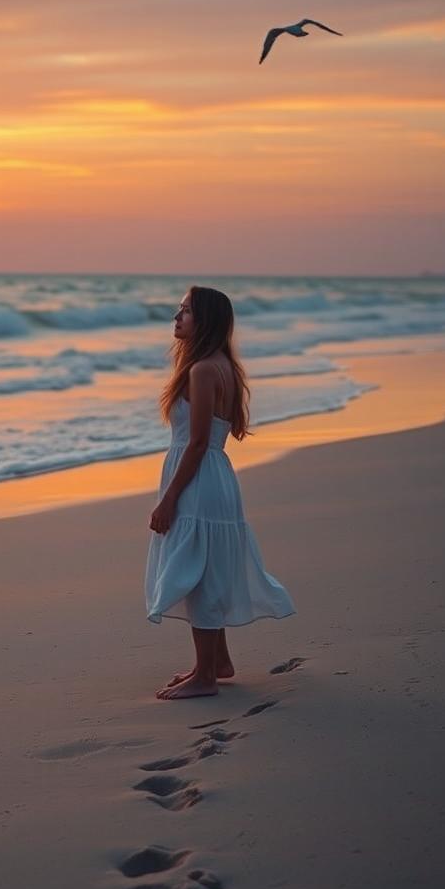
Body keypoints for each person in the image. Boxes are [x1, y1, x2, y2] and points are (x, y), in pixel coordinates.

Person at [145, 285, 295, 699]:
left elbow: (195, 443)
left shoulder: (202, 371)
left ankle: (206, 677)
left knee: (198, 574)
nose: (176, 318)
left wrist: (169, 499)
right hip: (214, 475)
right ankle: (215, 662)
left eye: (186, 311)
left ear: (205, 320)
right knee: (204, 568)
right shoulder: (220, 365)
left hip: (198, 478)